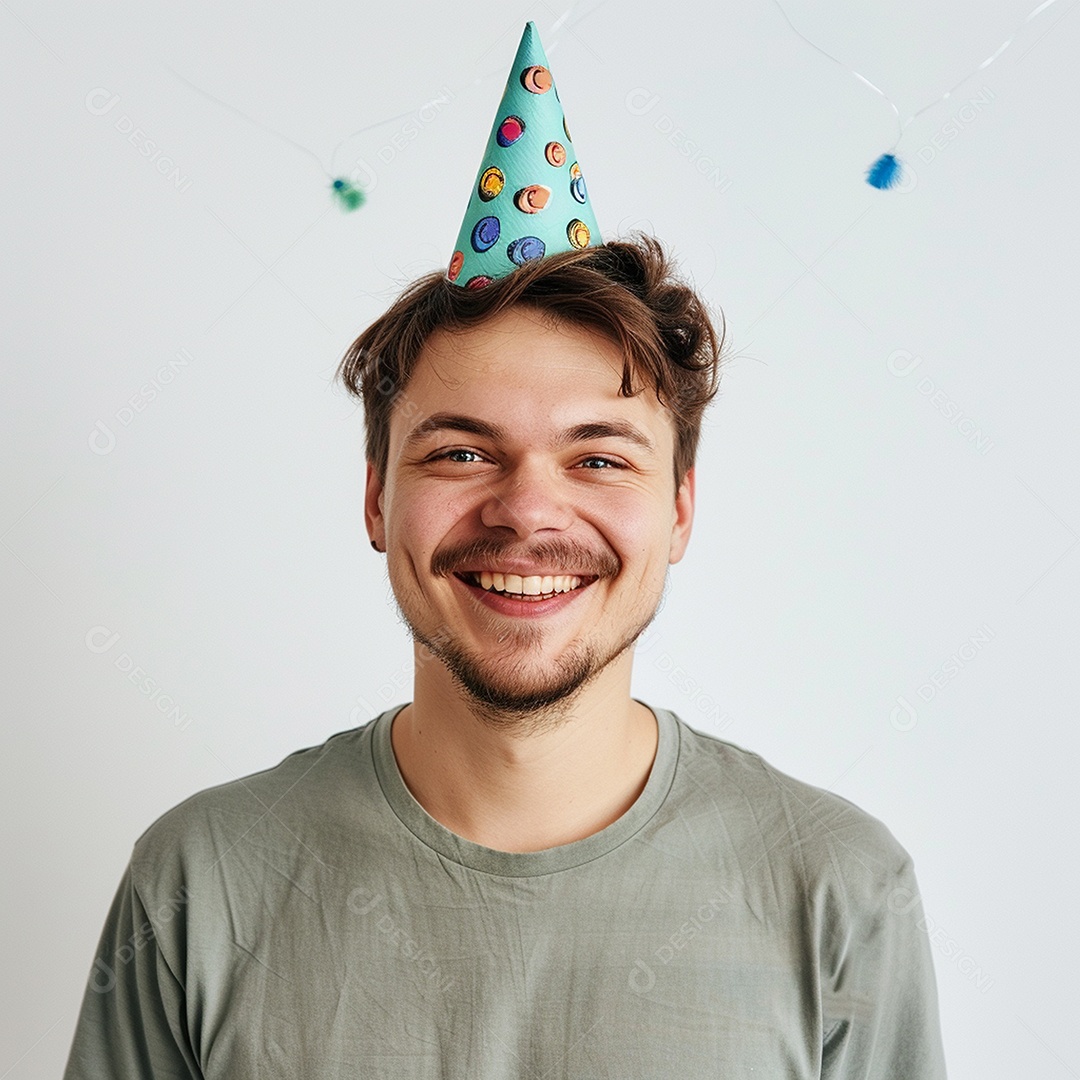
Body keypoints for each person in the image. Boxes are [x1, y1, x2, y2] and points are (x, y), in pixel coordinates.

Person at [62, 23, 947, 1080]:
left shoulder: (839, 893)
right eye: (464, 450)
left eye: (600, 460)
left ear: (680, 510)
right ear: (377, 500)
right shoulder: (199, 885)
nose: (528, 514)